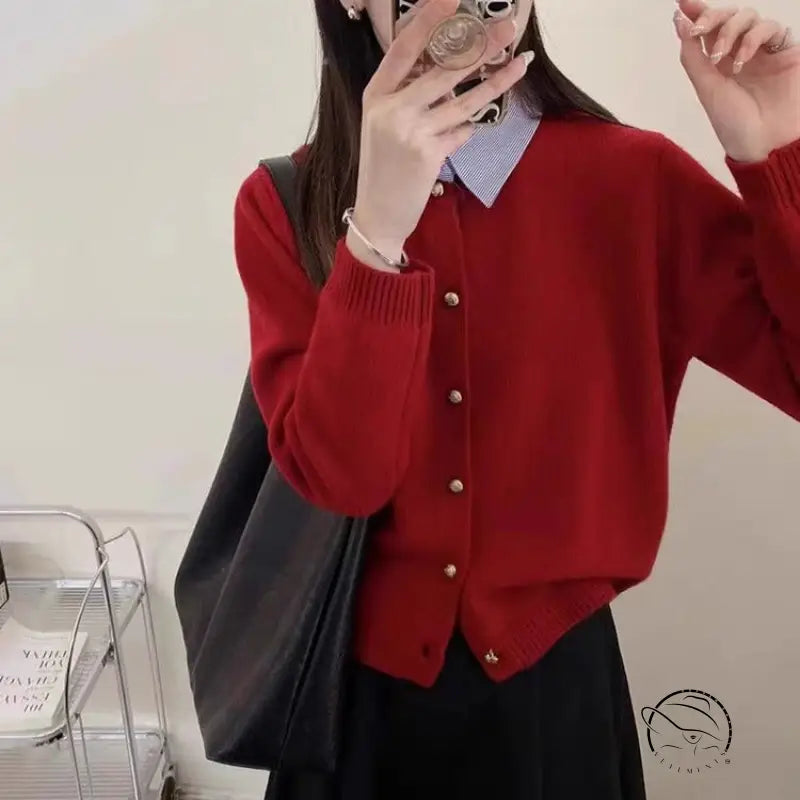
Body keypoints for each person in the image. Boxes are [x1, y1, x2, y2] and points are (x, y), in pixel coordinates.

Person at [233, 0, 800, 797]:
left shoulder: (632, 179)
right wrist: (378, 235)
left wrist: (776, 151)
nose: (464, 17)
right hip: (352, 710)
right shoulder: (286, 203)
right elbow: (342, 479)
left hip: (556, 703)